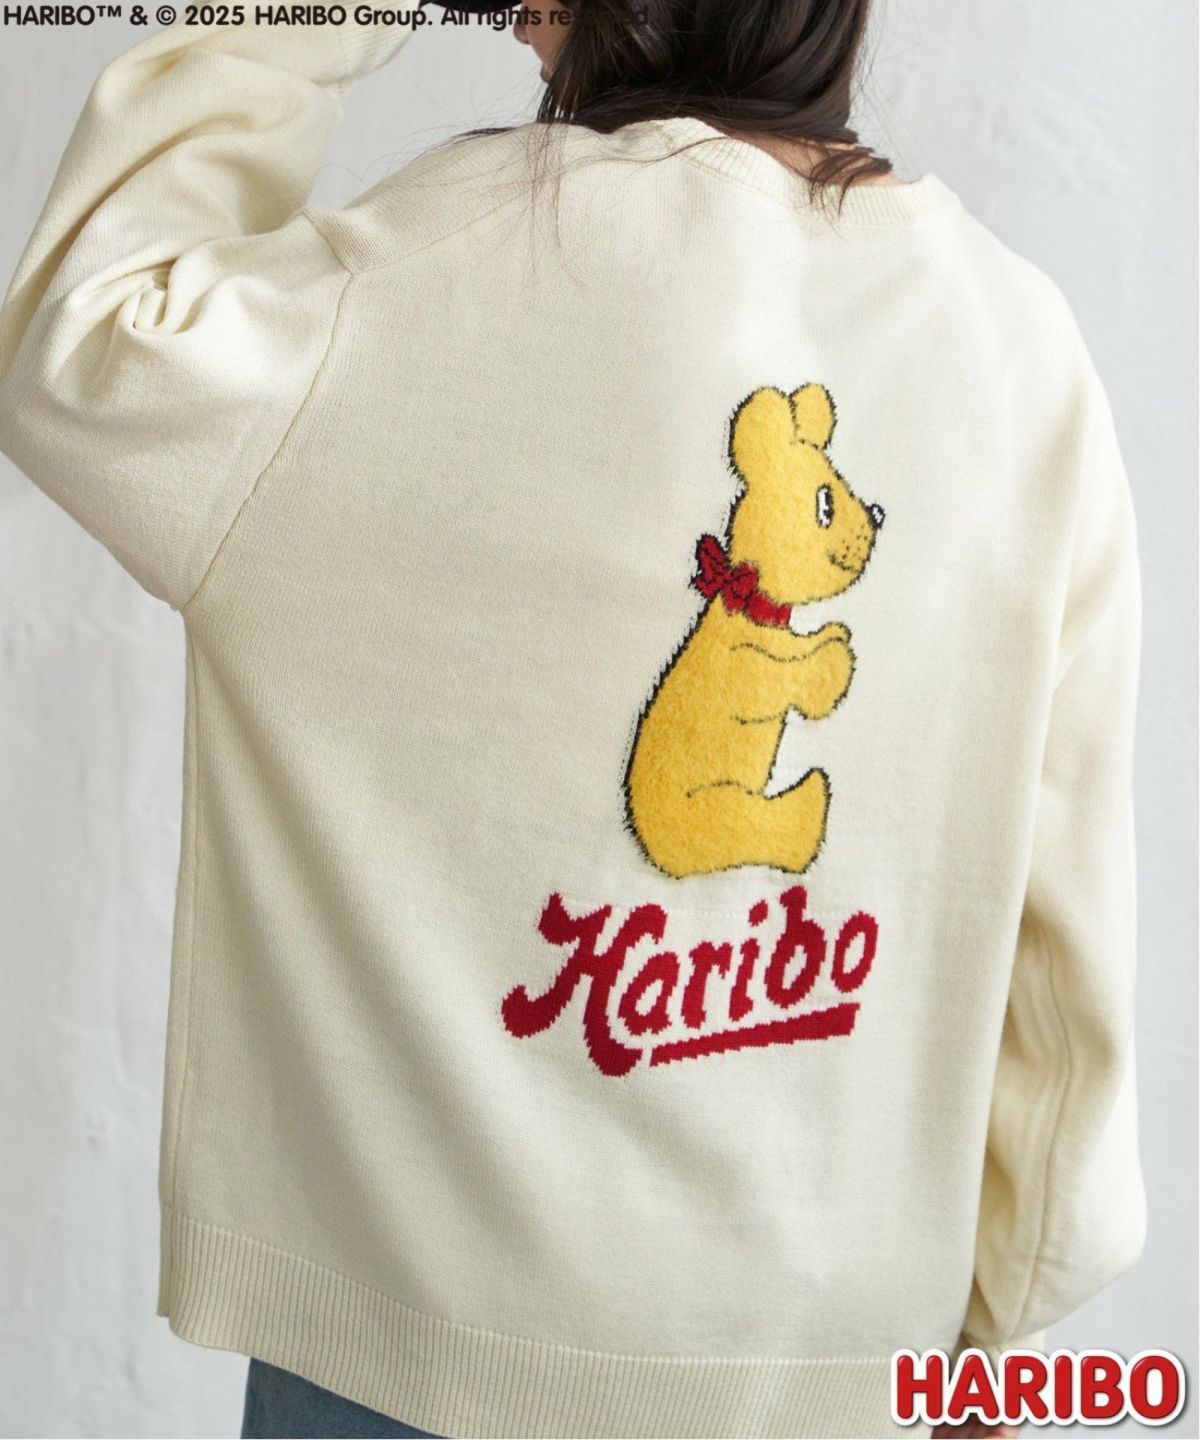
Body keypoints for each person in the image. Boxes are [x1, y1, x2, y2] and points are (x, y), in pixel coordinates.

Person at [0, 1, 1147, 1438]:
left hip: (413, 1351)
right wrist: (1002, 1317)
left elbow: (86, 337)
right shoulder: (1017, 354)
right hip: (840, 1368)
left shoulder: (423, 275)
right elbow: (1063, 944)